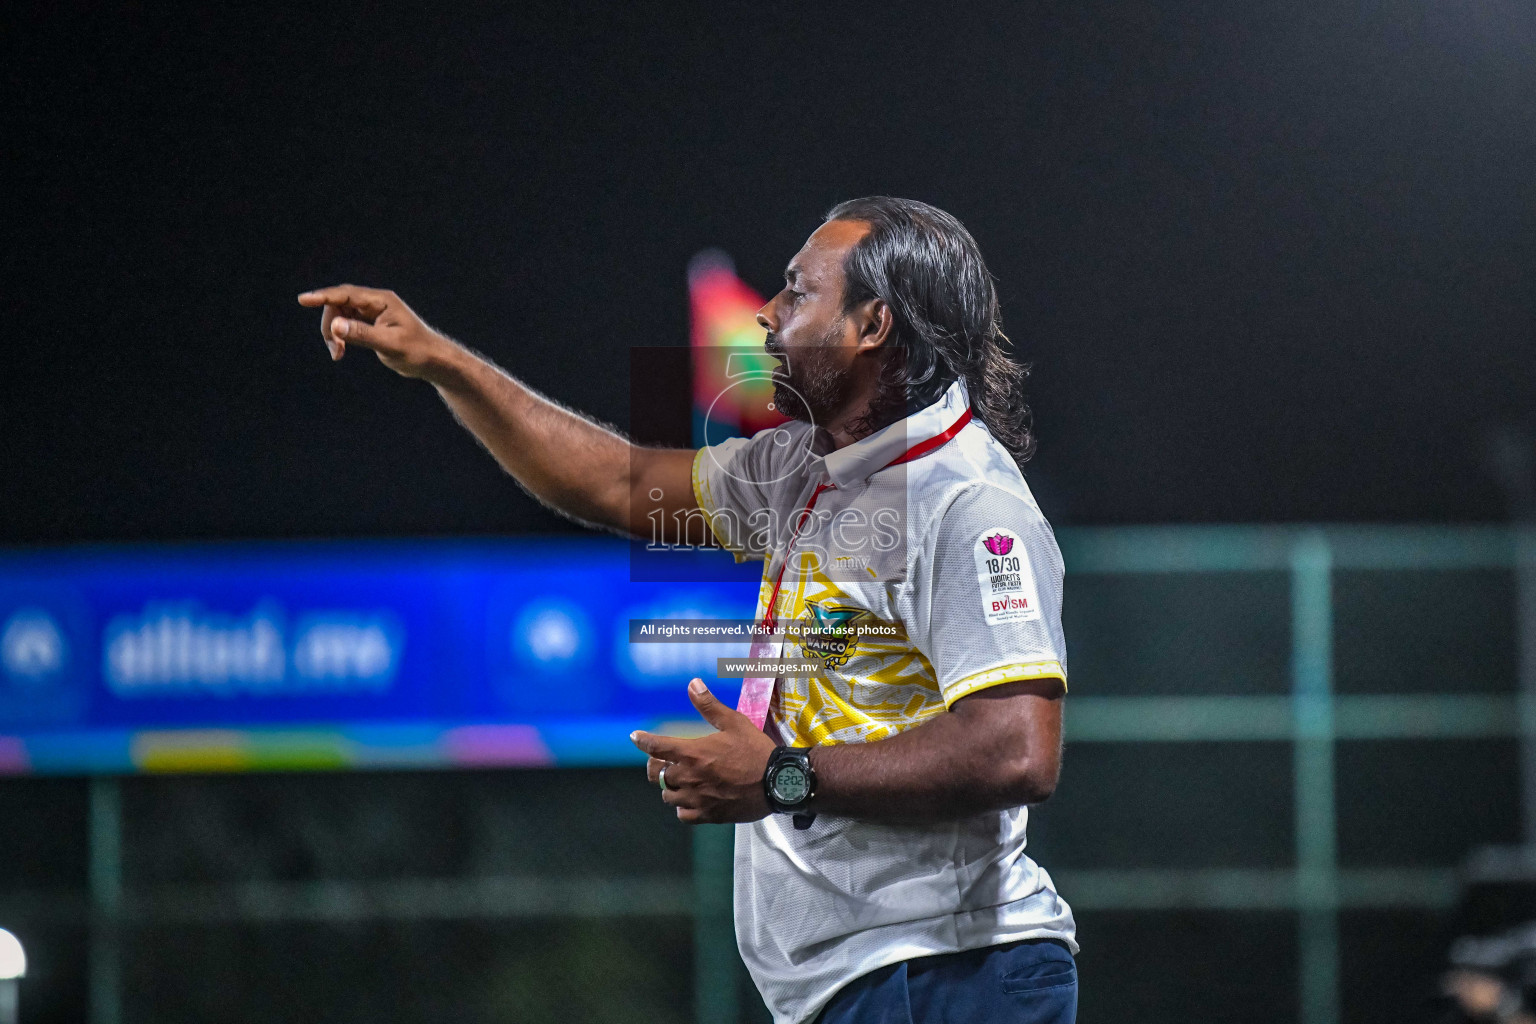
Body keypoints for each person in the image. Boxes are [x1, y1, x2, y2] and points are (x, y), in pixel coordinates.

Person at [298, 196, 1077, 1023]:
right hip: (869, 984)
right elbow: (612, 481)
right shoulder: (804, 468)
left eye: (796, 291)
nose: (765, 315)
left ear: (872, 325)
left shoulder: (969, 504)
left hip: (949, 978)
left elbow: (1015, 752)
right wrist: (444, 363)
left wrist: (783, 775)